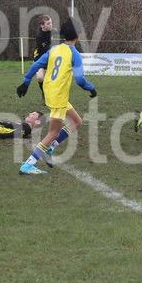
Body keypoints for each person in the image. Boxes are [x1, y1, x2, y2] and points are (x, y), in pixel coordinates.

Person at [16, 18, 96, 175]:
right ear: (78, 35)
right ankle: (28, 164)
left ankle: (49, 149)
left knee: (76, 122)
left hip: (50, 93)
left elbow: (36, 64)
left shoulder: (54, 49)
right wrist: (91, 89)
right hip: (58, 97)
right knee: (53, 132)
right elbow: (80, 79)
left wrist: (26, 82)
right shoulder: (75, 54)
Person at [33, 15, 53, 98]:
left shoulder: (53, 31)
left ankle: (53, 94)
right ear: (42, 26)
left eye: (51, 23)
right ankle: (44, 93)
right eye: (48, 23)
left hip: (50, 57)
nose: (51, 25)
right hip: (40, 57)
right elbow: (45, 50)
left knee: (53, 78)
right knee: (40, 78)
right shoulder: (39, 36)